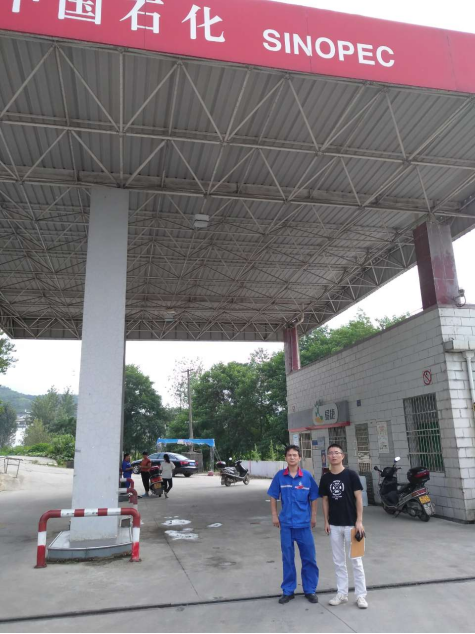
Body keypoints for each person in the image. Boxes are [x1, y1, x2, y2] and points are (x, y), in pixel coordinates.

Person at [267, 445, 319, 605]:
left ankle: (310, 590)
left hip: (304, 525)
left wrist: (313, 516)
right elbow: (273, 496)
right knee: (287, 559)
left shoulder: (307, 477)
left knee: (309, 558)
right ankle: (288, 591)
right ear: (285, 458)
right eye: (289, 455)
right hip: (286, 525)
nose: (292, 457)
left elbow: (314, 497)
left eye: (295, 455)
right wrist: (274, 515)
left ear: (299, 457)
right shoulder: (280, 476)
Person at [319, 443, 368, 610]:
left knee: (356, 561)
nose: (333, 455)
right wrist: (326, 521)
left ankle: (361, 596)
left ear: (342, 456)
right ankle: (342, 593)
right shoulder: (325, 478)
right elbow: (325, 500)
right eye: (330, 453)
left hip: (352, 526)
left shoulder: (351, 475)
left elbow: (359, 498)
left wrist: (359, 521)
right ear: (327, 457)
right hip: (334, 525)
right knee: (338, 562)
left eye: (336, 452)